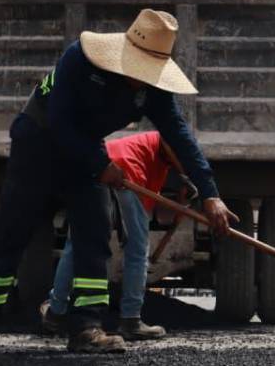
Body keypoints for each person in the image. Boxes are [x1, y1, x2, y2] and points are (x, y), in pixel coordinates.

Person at [0, 9, 235, 354]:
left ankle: (86, 328)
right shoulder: (79, 59)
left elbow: (180, 137)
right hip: (37, 140)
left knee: (94, 230)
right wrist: (101, 165)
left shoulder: (153, 92)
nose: (141, 78)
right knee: (14, 228)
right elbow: (60, 123)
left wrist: (211, 195)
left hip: (86, 147)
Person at [42, 131, 188, 341]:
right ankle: (131, 320)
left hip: (95, 167)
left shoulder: (149, 148)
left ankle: (55, 313)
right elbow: (145, 206)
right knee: (137, 249)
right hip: (125, 174)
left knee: (77, 244)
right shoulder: (160, 143)